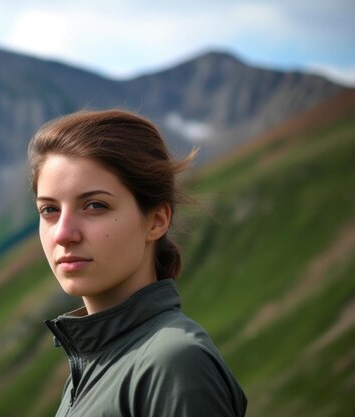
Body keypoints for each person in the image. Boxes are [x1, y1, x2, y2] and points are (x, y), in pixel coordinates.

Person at [28, 109, 247, 417]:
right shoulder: (95, 365)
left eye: (94, 205)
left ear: (157, 221)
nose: (63, 233)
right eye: (49, 210)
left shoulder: (174, 363)